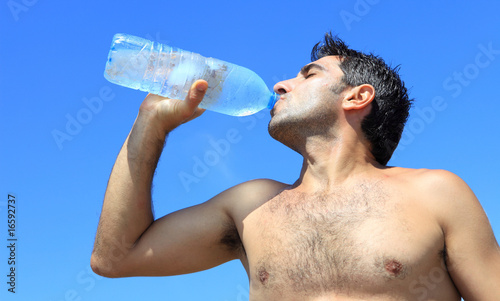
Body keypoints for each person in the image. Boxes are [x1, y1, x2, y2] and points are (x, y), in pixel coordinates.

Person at [90, 33, 500, 300]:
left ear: (357, 96)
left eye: (309, 74)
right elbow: (115, 258)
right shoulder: (251, 205)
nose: (280, 85)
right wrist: (150, 124)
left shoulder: (434, 194)